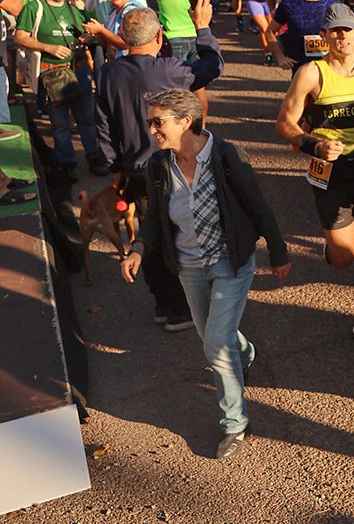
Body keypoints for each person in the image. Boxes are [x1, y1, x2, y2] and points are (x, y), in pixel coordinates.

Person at [120, 89, 290, 460]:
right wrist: (137, 249)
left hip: (232, 263)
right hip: (189, 266)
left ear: (185, 121)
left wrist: (278, 250)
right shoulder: (159, 166)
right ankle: (245, 352)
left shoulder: (226, 156)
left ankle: (234, 423)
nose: (151, 130)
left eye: (158, 121)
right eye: (150, 122)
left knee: (214, 341)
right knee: (216, 336)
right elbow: (152, 219)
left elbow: (258, 206)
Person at [276, 3, 354, 351]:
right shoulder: (311, 74)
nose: (342, 36)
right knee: (345, 257)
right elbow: (284, 123)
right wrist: (312, 144)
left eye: (348, 29)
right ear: (325, 36)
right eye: (335, 31)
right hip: (333, 172)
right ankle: (335, 248)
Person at [96, 3, 223, 331]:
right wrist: (203, 28)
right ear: (158, 36)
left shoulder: (108, 73)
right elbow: (212, 66)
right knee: (176, 230)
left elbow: (104, 126)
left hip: (134, 168)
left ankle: (164, 302)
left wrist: (115, 169)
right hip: (173, 164)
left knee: (147, 229)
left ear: (123, 37)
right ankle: (180, 305)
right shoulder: (171, 69)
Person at [15, 0, 109, 178]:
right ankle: (67, 162)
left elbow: (82, 36)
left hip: (78, 70)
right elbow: (20, 37)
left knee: (86, 117)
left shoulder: (72, 8)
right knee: (59, 123)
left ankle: (93, 156)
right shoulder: (34, 8)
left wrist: (84, 39)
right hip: (53, 73)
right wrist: (49, 48)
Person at [266, 0, 339, 72]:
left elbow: (348, 33)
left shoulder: (334, 4)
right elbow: (270, 32)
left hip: (329, 69)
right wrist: (280, 57)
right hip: (301, 69)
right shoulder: (289, 5)